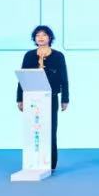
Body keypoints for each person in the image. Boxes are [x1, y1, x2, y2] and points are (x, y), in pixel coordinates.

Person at [16, 25, 69, 171]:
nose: (40, 37)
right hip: (31, 97)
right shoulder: (29, 55)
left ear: (50, 38)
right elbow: (22, 77)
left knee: (50, 129)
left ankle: (50, 163)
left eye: (44, 35)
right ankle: (33, 161)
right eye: (38, 35)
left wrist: (65, 99)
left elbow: (64, 78)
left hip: (50, 97)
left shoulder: (58, 56)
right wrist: (20, 98)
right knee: (33, 129)